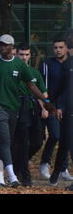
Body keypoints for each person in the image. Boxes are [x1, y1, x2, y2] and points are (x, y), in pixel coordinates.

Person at [0, 34, 56, 187]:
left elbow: (33, 86)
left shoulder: (24, 68)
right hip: (0, 106)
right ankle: (16, 176)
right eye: (1, 44)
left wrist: (46, 103)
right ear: (16, 51)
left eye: (6, 45)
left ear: (12, 47)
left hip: (20, 107)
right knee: (9, 141)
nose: (3, 47)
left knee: (22, 141)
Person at [12, 44, 49, 186]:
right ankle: (24, 176)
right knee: (22, 142)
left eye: (27, 55)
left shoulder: (34, 72)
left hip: (34, 110)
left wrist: (45, 106)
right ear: (16, 55)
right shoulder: (13, 71)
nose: (24, 57)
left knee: (38, 142)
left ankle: (18, 164)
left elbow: (43, 92)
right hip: (18, 110)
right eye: (21, 54)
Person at [38, 38, 73, 181]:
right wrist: (45, 105)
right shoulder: (47, 64)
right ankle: (45, 163)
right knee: (55, 135)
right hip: (52, 107)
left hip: (66, 108)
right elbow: (42, 87)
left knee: (66, 139)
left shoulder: (69, 65)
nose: (58, 50)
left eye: (61, 47)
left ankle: (62, 168)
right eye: (55, 47)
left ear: (66, 48)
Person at [49, 39, 73, 190]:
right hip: (69, 110)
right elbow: (61, 88)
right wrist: (54, 105)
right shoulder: (67, 66)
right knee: (65, 143)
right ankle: (57, 170)